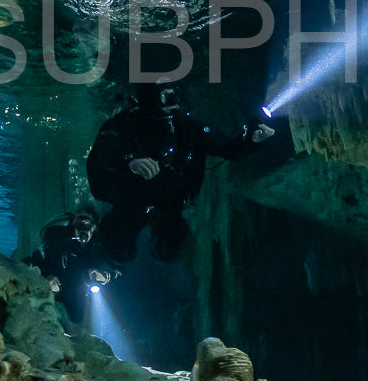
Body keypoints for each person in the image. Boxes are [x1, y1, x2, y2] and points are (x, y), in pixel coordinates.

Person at [86, 80, 274, 262]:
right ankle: (114, 258)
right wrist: (128, 162)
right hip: (132, 200)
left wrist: (250, 141)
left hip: (169, 201)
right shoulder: (122, 125)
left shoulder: (187, 128)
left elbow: (227, 149)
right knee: (119, 236)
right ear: (151, 98)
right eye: (166, 97)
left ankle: (162, 249)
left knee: (171, 239)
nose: (174, 102)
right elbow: (102, 155)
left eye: (174, 95)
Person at [24, 207, 119, 324]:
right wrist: (44, 277)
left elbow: (116, 268)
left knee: (76, 319)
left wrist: (104, 276)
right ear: (72, 224)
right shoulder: (56, 240)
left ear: (94, 227)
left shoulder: (98, 248)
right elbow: (35, 260)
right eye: (79, 223)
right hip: (53, 287)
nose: (83, 229)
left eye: (87, 224)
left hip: (76, 292)